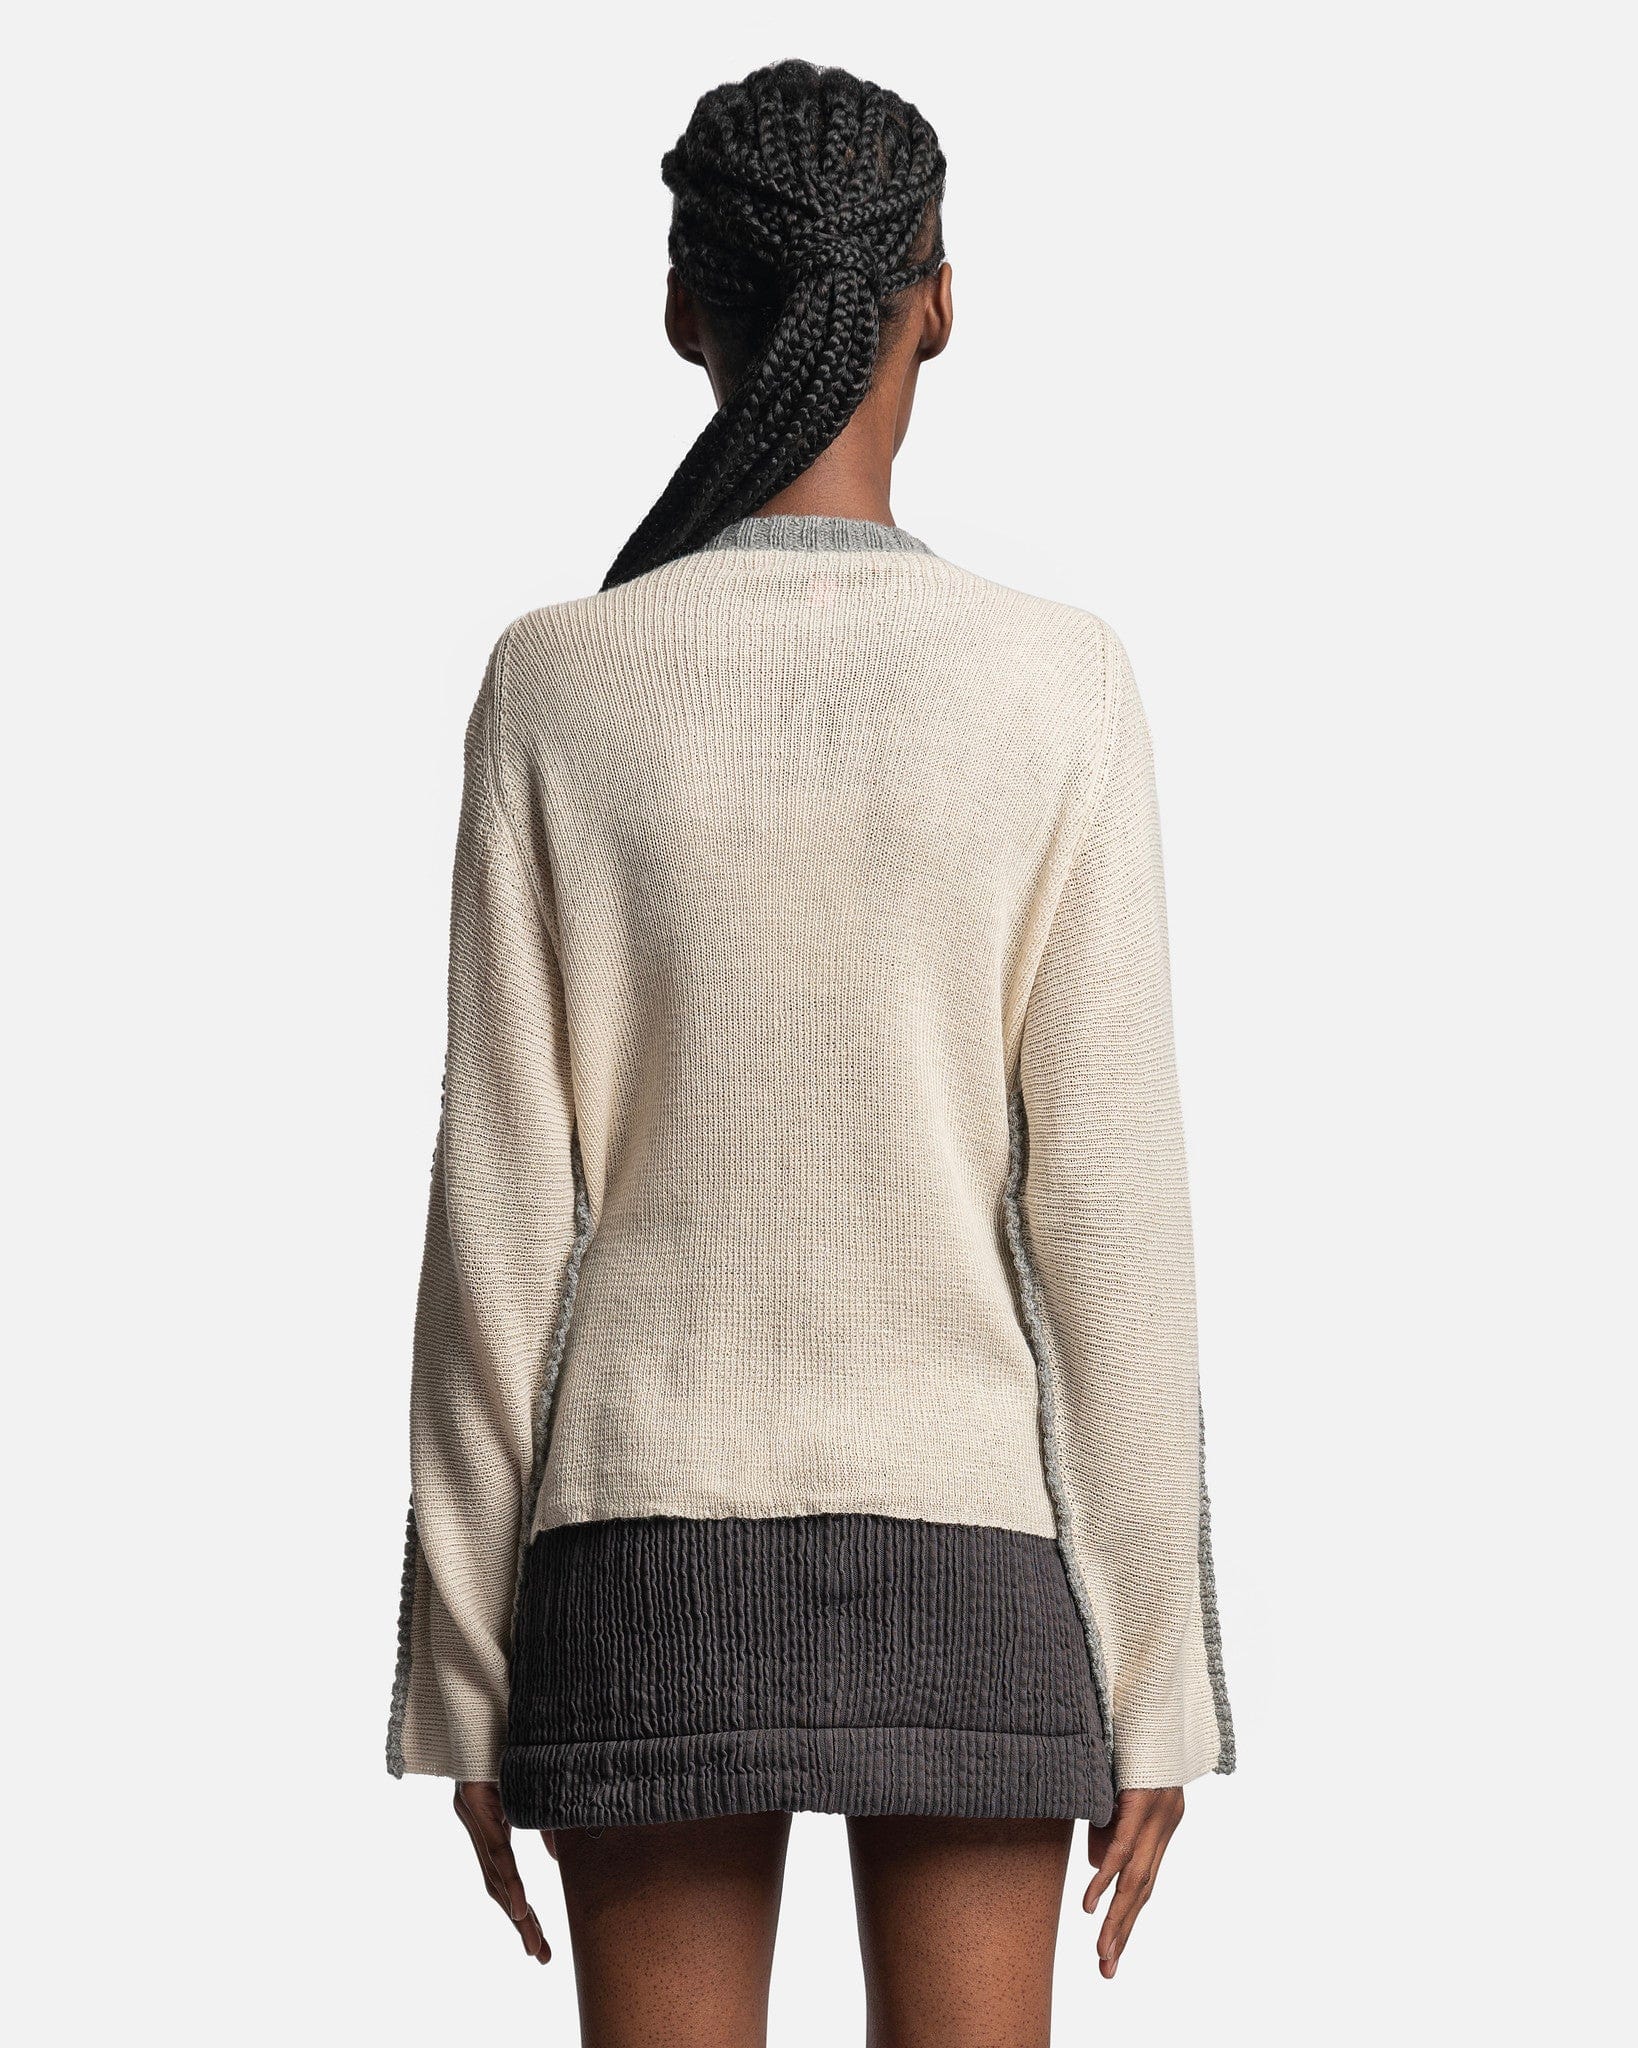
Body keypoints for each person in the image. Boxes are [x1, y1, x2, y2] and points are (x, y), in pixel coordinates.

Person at [386, 57, 1234, 2048]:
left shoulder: (558, 681)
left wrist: (464, 1679)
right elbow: (1105, 1208)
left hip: (637, 1554)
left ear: (687, 308)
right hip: (972, 1548)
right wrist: (1157, 1678)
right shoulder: (1056, 682)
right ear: (940, 300)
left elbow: (502, 1207)